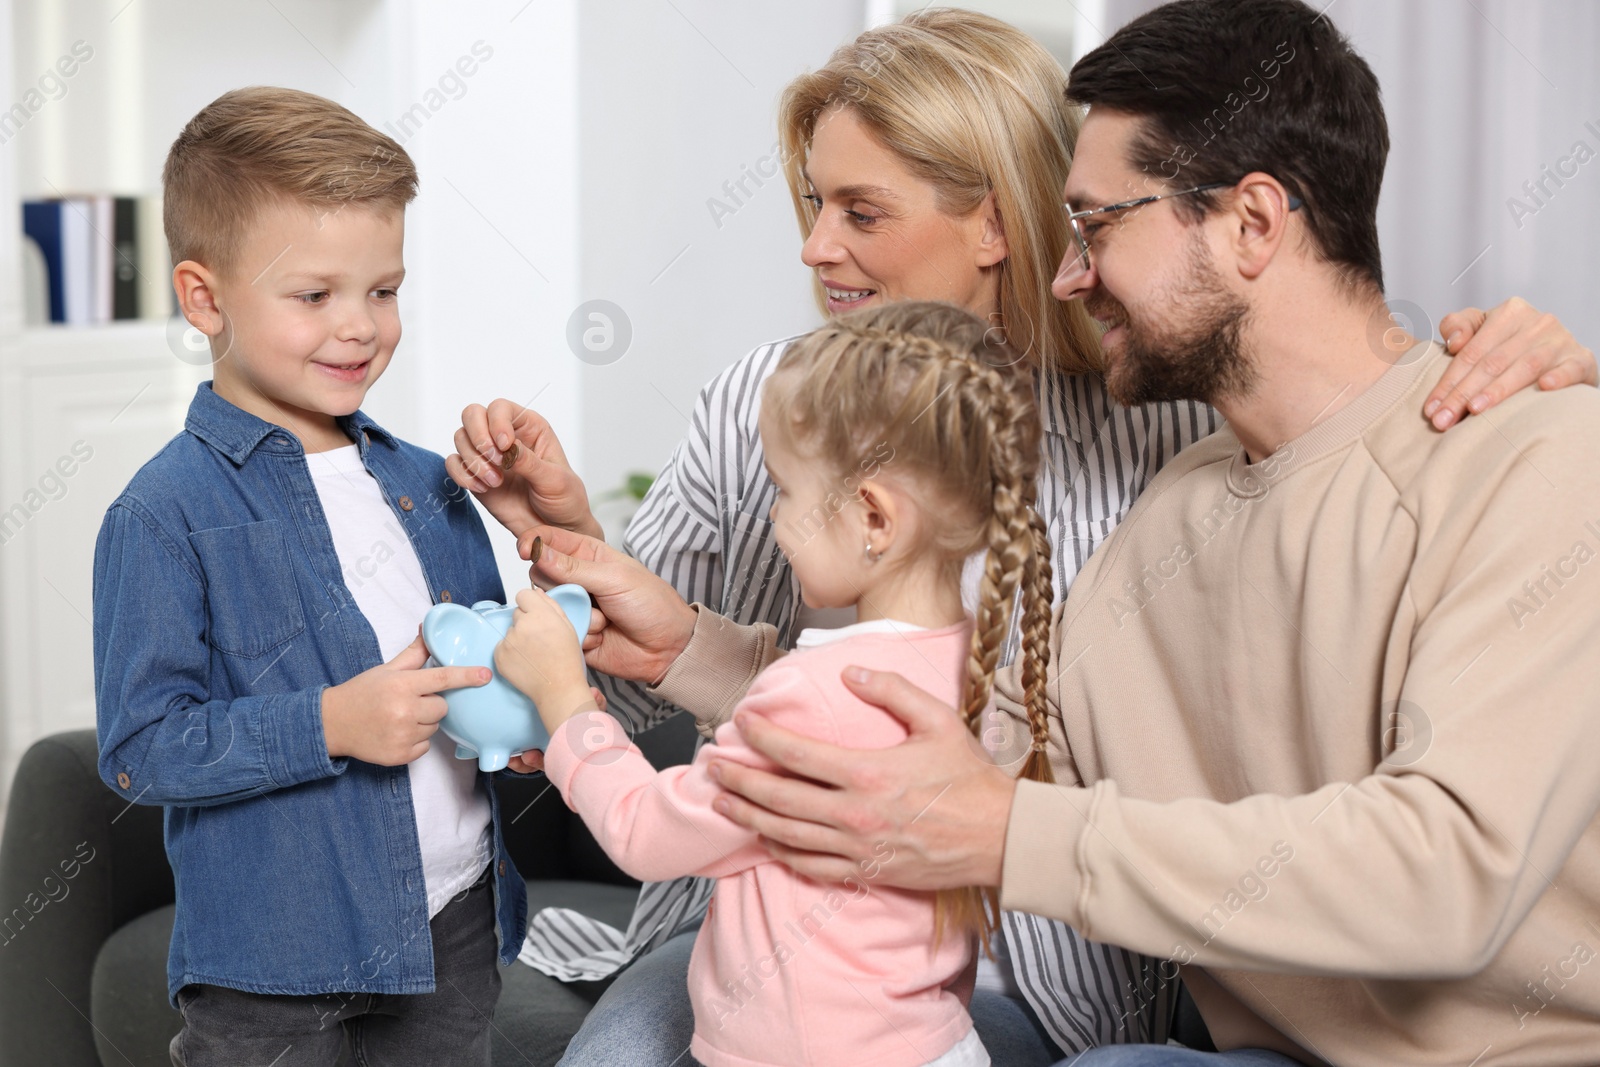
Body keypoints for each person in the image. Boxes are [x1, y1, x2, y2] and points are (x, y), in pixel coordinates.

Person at [449, 10, 1597, 1064]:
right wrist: (686, 648)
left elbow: (1449, 871)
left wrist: (1006, 830)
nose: (1066, 268)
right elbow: (969, 718)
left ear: (1252, 221)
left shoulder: (1527, 446)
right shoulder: (1186, 500)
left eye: (1095, 223)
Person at [91, 88, 544, 1066]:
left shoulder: (432, 482)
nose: (360, 327)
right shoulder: (161, 514)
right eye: (315, 294)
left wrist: (526, 718)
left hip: (455, 916)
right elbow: (140, 747)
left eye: (382, 290)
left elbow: (484, 668)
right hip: (272, 958)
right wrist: (330, 723)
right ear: (205, 296)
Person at [498, 301, 1065, 1067]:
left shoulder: (812, 695)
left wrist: (564, 700)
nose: (772, 517)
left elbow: (646, 832)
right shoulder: (976, 673)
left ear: (872, 517)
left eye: (785, 491)